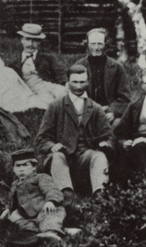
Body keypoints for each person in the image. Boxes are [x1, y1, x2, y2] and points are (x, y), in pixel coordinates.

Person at [35, 64, 114, 198]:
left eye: (82, 82)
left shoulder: (96, 108)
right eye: (74, 82)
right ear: (67, 82)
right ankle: (66, 195)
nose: (78, 86)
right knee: (57, 156)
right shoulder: (56, 106)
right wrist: (52, 146)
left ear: (88, 82)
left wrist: (105, 143)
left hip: (85, 157)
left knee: (99, 156)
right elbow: (42, 138)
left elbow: (108, 136)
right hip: (63, 156)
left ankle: (100, 195)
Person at [0, 148, 67, 244]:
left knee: (50, 216)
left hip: (42, 210)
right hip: (26, 217)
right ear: (13, 169)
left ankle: (52, 232)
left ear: (33, 167)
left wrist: (51, 201)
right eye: (18, 166)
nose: (21, 169)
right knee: (15, 218)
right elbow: (12, 201)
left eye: (25, 165)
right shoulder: (14, 185)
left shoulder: (40, 177)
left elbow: (51, 189)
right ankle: (33, 235)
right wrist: (8, 210)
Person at [70, 28, 132, 124]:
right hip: (85, 113)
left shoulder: (117, 67)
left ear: (106, 45)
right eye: (92, 44)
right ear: (87, 44)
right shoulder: (78, 67)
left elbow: (125, 97)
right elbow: (73, 96)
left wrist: (113, 112)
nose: (96, 47)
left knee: (119, 124)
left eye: (100, 44)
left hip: (109, 114)